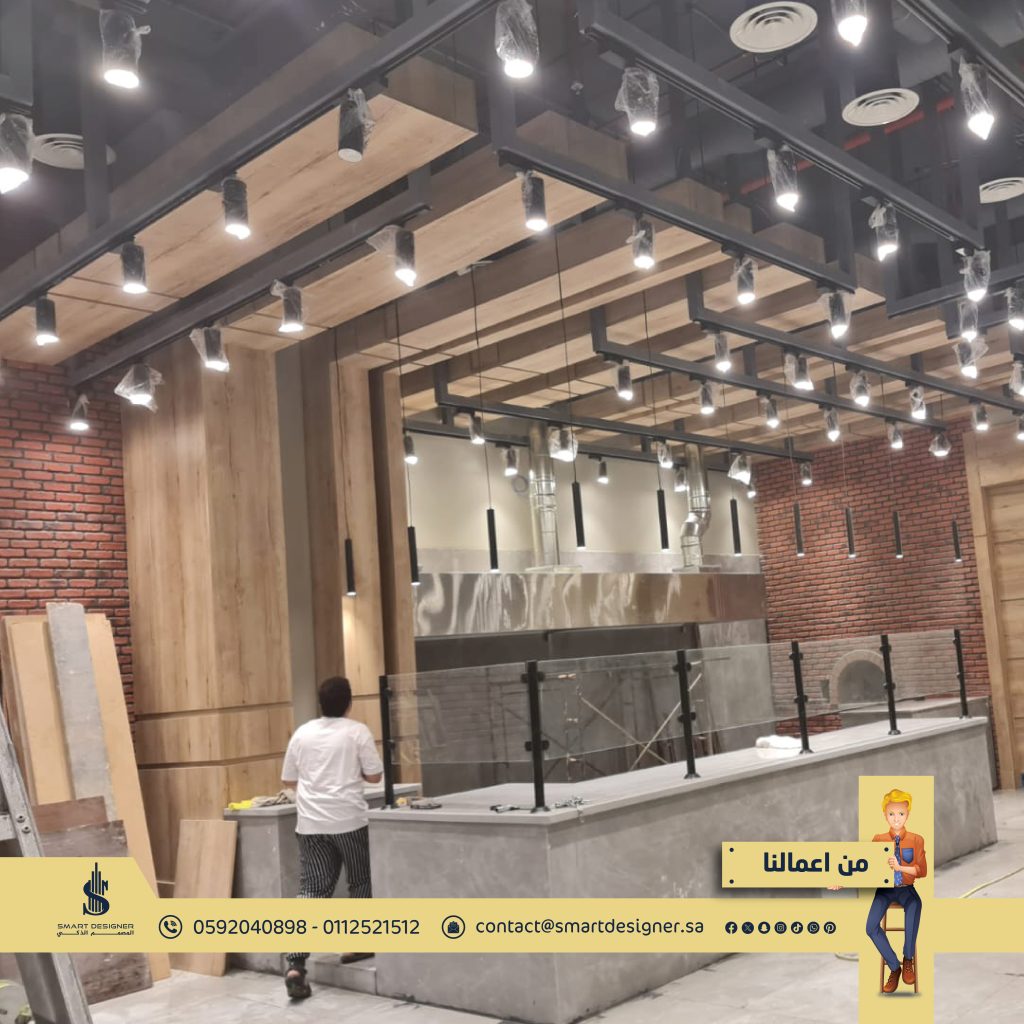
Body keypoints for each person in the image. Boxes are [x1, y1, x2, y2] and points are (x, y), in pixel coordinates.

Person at [280, 676, 384, 1000]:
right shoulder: (357, 732)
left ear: (320, 703)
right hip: (350, 821)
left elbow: (288, 779)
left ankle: (296, 963)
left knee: (312, 890)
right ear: (349, 703)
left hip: (311, 823)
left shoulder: (302, 733)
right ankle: (359, 943)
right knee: (360, 881)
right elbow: (375, 776)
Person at [867, 788, 926, 994]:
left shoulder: (916, 840)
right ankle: (894, 967)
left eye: (901, 813)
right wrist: (842, 882)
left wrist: (900, 867)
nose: (896, 818)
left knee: (915, 906)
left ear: (907, 814)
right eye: (891, 813)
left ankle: (908, 959)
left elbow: (921, 870)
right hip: (884, 891)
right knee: (870, 927)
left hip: (906, 889)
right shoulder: (878, 839)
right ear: (885, 815)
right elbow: (865, 868)